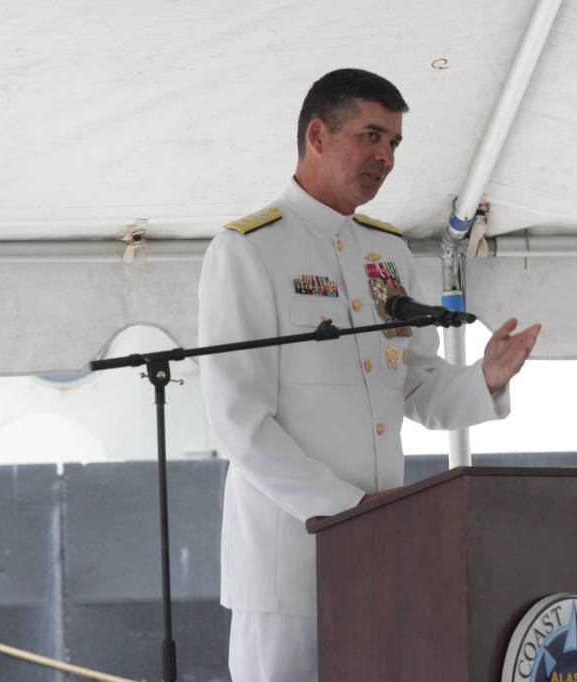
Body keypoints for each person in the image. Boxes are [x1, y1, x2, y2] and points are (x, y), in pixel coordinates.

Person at [198, 68, 541, 682]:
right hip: (289, 565)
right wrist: (347, 511)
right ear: (318, 135)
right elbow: (238, 422)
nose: (385, 157)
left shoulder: (389, 253)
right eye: (372, 136)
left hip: (382, 554)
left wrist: (485, 379)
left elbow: (415, 385)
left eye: (395, 145)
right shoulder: (250, 250)